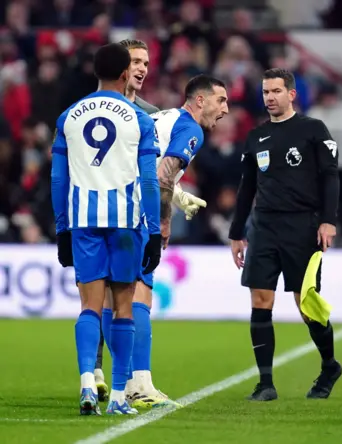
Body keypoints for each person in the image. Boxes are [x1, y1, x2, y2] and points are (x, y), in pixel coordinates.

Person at [51, 43, 162, 415]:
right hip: (126, 224)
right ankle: (117, 397)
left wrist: (62, 229)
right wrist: (156, 231)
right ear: (124, 74)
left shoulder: (69, 116)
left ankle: (86, 384)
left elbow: (57, 179)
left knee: (89, 307)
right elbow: (148, 181)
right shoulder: (139, 119)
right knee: (124, 308)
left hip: (83, 221)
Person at [229, 68, 341, 401]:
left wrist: (328, 221)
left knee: (305, 305)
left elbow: (331, 176)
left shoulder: (313, 130)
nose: (269, 98)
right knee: (260, 300)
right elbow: (246, 186)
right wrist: (237, 233)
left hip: (303, 226)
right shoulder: (256, 136)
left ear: (292, 94)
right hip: (263, 227)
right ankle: (265, 383)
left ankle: (329, 365)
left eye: (276, 91)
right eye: (265, 92)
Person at [121, 74, 228, 409]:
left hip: (109, 205)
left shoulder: (163, 117)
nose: (225, 109)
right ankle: (139, 383)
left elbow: (144, 162)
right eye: (220, 100)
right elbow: (163, 173)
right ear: (200, 101)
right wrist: (163, 221)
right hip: (137, 212)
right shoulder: (190, 128)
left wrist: (179, 195)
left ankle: (110, 381)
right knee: (140, 294)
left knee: (116, 297)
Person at [93, 38, 161, 403]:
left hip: (133, 219)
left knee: (125, 296)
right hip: (96, 213)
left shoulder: (152, 114)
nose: (141, 68)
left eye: (146, 63)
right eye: (135, 61)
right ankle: (96, 371)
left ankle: (129, 381)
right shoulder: (88, 109)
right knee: (97, 296)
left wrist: (161, 216)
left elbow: (156, 173)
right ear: (120, 67)